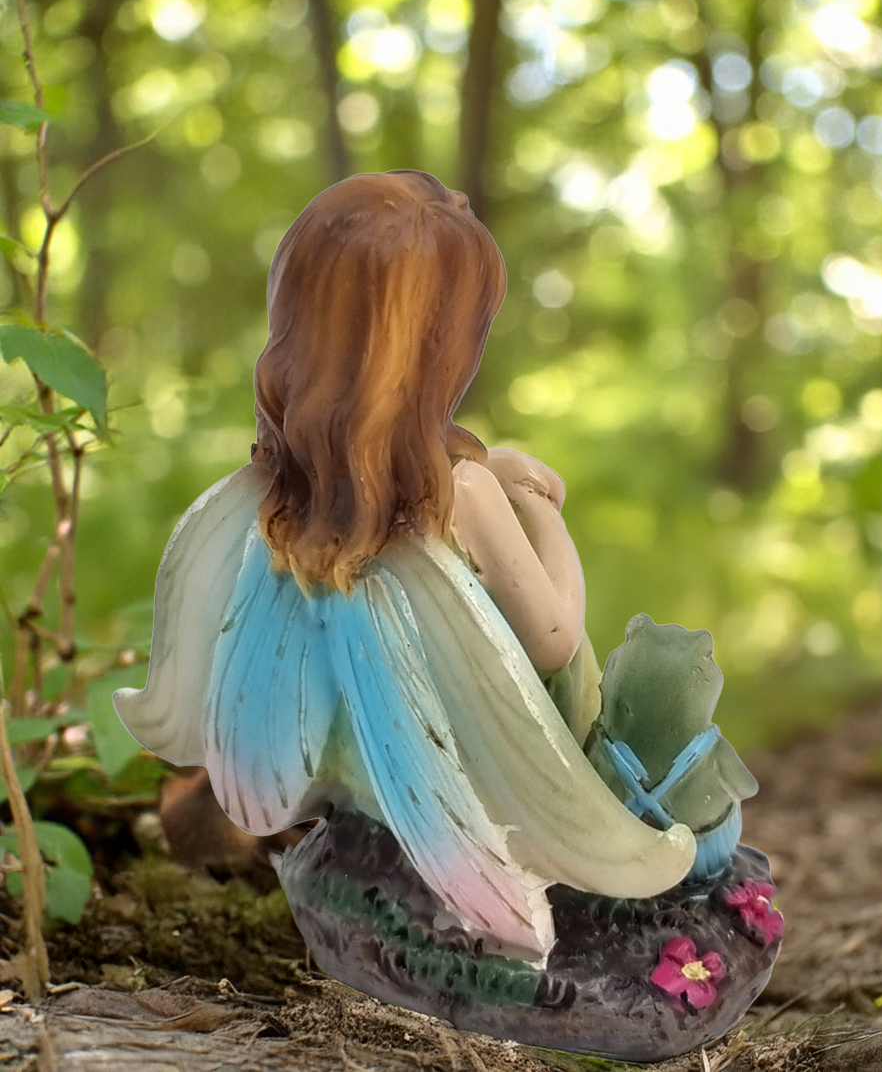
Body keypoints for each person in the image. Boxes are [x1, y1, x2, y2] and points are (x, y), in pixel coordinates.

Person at [115, 171, 695, 961]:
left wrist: (496, 464)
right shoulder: (465, 500)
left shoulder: (271, 500)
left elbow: (403, 460)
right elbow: (554, 644)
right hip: (468, 755)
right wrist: (545, 520)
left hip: (342, 760)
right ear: (439, 348)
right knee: (588, 678)